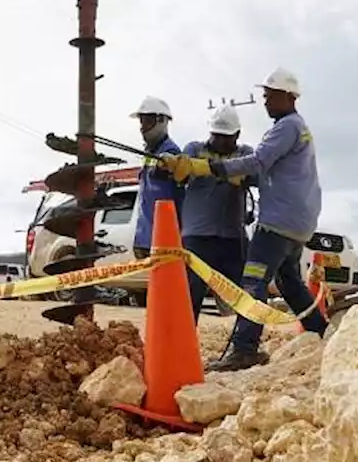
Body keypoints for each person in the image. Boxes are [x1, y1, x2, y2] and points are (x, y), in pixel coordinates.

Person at [160, 68, 326, 372]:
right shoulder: (296, 127)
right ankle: (321, 330)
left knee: (252, 282)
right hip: (296, 223)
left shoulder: (285, 128)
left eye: (269, 96)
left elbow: (259, 163)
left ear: (288, 97)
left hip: (275, 223)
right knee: (288, 281)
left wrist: (215, 169)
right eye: (264, 96)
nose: (264, 102)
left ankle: (245, 349)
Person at [174, 104, 254, 325]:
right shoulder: (194, 150)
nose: (220, 141)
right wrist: (177, 167)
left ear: (237, 135)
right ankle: (185, 343)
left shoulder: (245, 154)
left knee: (243, 296)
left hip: (232, 237)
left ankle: (242, 345)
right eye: (216, 136)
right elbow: (179, 176)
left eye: (226, 137)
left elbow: (256, 174)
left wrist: (233, 172)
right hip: (197, 237)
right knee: (191, 293)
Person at [129, 97, 183, 259]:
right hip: (145, 236)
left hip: (165, 239)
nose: (142, 128)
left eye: (147, 121)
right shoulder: (149, 153)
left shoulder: (172, 153)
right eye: (141, 122)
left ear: (161, 121)